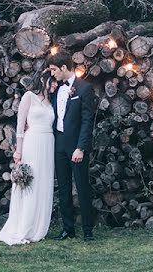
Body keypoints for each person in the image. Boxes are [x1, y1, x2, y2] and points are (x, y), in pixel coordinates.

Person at [0, 67, 56, 245]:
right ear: (45, 80)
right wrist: (18, 151)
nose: (56, 85)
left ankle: (38, 227)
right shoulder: (29, 97)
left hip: (48, 143)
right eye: (54, 81)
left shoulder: (51, 101)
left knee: (43, 184)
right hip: (32, 142)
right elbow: (20, 127)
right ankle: (23, 225)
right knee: (30, 182)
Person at [48, 49, 97, 241]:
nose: (52, 73)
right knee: (64, 187)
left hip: (76, 146)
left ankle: (87, 230)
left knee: (82, 187)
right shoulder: (57, 89)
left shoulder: (84, 88)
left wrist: (81, 148)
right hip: (59, 143)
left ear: (63, 67)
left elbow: (87, 120)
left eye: (54, 70)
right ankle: (68, 228)